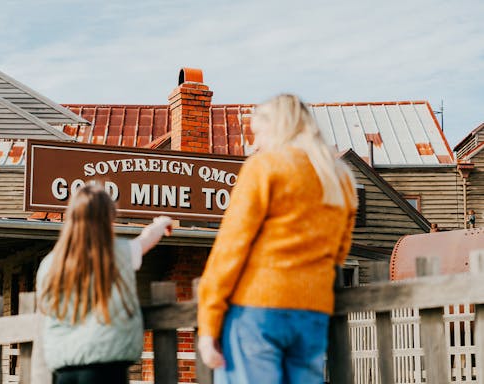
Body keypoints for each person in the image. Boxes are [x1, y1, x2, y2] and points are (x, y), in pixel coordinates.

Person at [197, 94, 358, 383]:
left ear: (278, 127)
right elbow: (339, 252)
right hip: (312, 313)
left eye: (257, 133)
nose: (254, 143)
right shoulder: (341, 178)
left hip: (257, 309)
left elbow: (230, 248)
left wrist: (209, 324)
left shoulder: (265, 167)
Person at [36, 184, 172, 384]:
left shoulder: (49, 264)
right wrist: (160, 224)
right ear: (108, 218)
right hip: (106, 366)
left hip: (64, 368)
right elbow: (145, 240)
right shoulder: (118, 253)